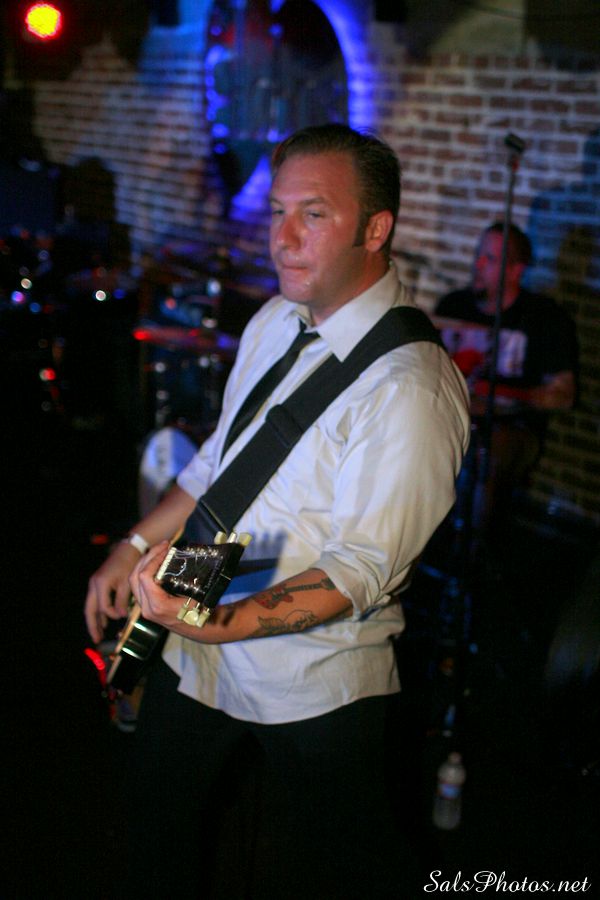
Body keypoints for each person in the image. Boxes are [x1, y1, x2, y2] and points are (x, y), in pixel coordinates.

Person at [85, 124, 470, 899]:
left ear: (376, 228)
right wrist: (132, 545)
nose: (283, 239)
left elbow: (356, 571)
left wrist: (220, 621)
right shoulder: (273, 322)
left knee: (345, 867)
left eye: (313, 214)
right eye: (277, 212)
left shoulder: (411, 389)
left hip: (311, 676)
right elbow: (215, 468)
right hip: (198, 634)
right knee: (156, 826)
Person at [435, 222, 577, 532]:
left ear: (515, 271)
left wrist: (507, 396)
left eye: (489, 258)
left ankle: (474, 544)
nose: (478, 264)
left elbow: (563, 395)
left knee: (489, 453)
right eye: (478, 255)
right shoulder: (454, 306)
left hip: (512, 427)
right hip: (452, 416)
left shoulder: (544, 317)